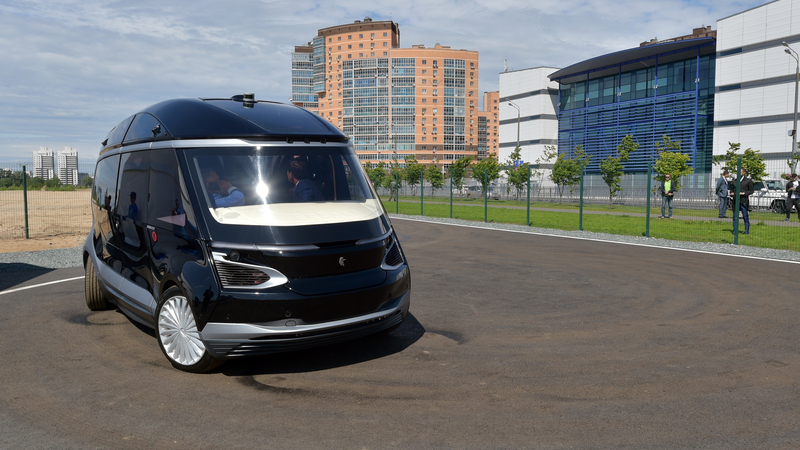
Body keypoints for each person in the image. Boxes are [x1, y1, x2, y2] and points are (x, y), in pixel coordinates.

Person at [731, 169, 754, 235]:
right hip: (736, 201)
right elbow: (732, 190)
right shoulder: (735, 181)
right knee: (735, 217)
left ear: (743, 173)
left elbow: (751, 191)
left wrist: (743, 193)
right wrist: (732, 193)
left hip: (744, 201)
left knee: (745, 216)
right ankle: (735, 230)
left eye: (740, 172)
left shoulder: (748, 181)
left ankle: (746, 231)